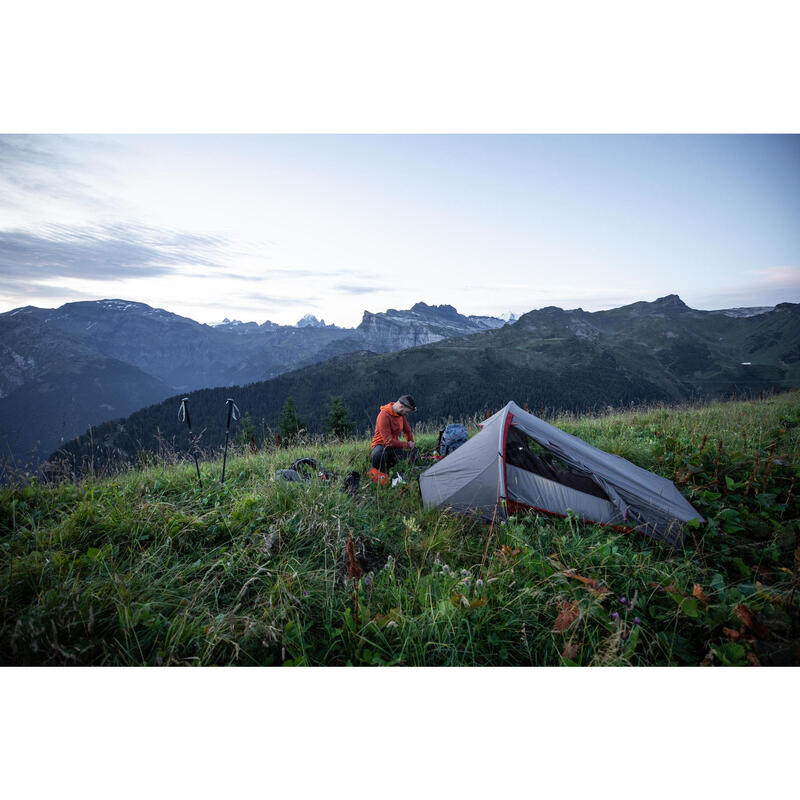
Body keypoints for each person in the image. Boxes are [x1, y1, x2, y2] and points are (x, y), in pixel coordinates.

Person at [370, 394, 419, 471]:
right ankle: (380, 472)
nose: (406, 414)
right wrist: (407, 445)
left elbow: (407, 431)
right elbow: (388, 441)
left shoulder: (400, 415)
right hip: (381, 445)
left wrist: (412, 445)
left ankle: (402, 469)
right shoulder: (383, 415)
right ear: (401, 407)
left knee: (414, 454)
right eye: (406, 412)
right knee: (379, 455)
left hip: (393, 447)